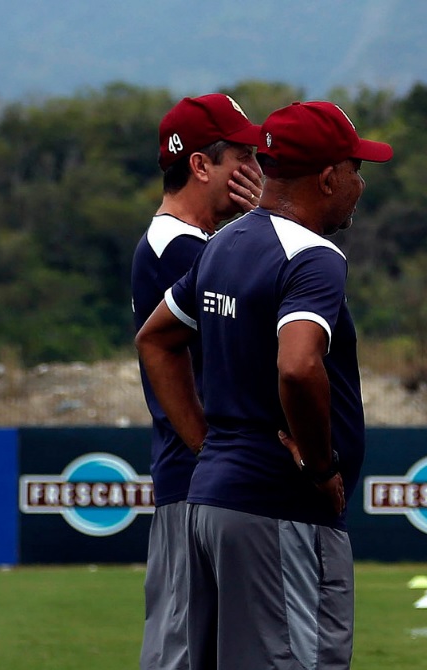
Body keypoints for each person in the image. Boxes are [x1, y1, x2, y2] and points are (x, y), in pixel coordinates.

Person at [135, 100, 392, 670]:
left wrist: (210, 447)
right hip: (280, 506)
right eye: (355, 168)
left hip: (213, 500)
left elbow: (156, 338)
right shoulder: (314, 257)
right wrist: (323, 467)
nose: (361, 183)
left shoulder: (224, 243)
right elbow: (298, 366)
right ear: (327, 177)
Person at [131, 92, 263, 670]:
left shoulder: (202, 246)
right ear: (201, 164)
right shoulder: (178, 248)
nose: (257, 173)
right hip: (195, 483)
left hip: (207, 483)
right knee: (184, 653)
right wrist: (271, 226)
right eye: (243, 157)